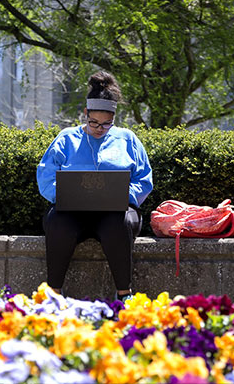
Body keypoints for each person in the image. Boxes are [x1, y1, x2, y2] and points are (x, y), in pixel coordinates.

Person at [36, 71, 153, 302]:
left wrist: (123, 195)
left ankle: (124, 295)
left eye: (106, 124)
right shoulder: (66, 138)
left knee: (117, 224)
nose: (100, 128)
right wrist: (63, 195)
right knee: (58, 223)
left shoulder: (128, 139)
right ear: (85, 113)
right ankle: (54, 295)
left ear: (114, 119)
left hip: (116, 212)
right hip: (71, 211)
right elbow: (46, 177)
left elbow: (144, 179)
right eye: (94, 122)